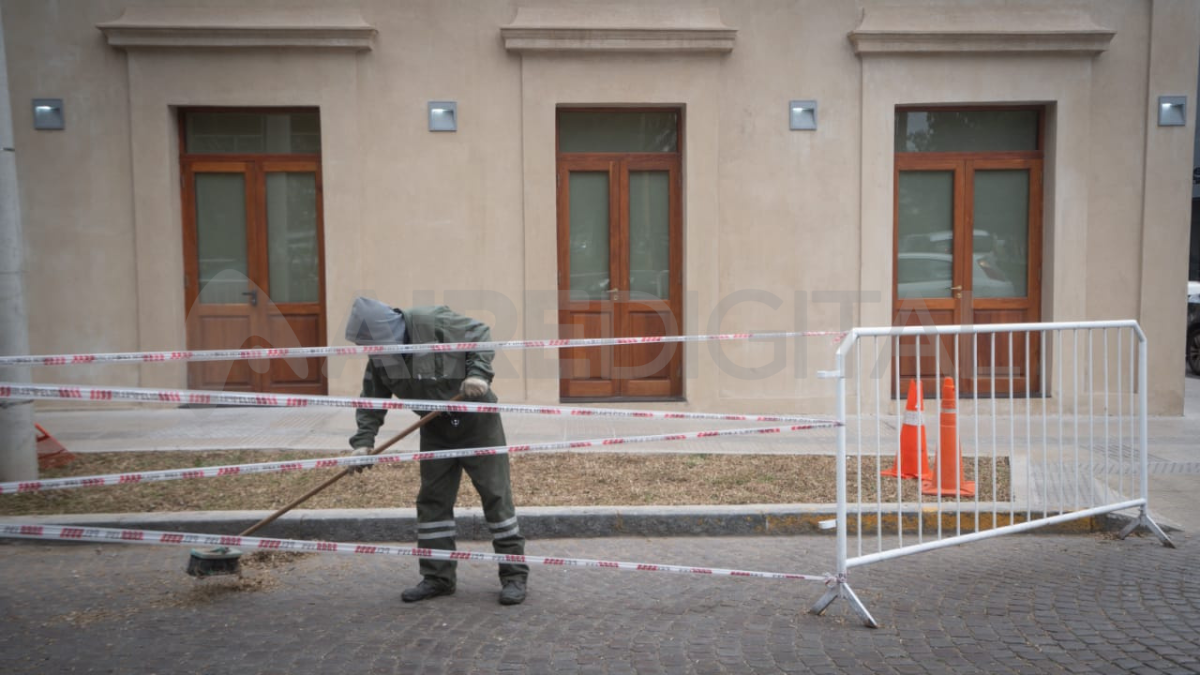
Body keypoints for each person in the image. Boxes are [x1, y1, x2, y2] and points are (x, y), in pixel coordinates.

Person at [344, 296, 528, 605]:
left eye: (373, 344)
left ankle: (514, 575)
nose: (372, 352)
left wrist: (478, 374)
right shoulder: (381, 354)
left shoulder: (433, 321)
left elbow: (480, 332)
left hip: (477, 422)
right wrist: (363, 442)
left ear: (385, 329)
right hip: (435, 430)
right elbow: (372, 398)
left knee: (496, 497)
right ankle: (437, 577)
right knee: (432, 502)